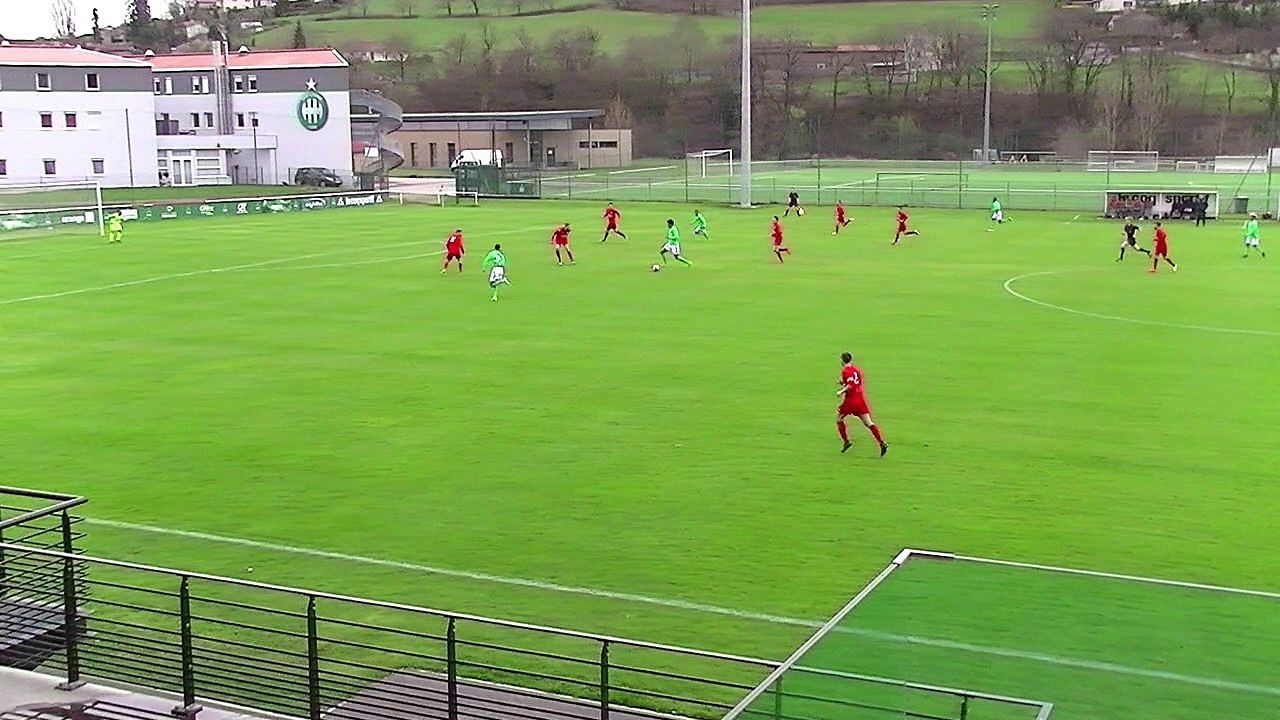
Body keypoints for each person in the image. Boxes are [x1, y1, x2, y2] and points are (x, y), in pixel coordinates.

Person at [835, 352, 888, 456]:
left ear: (842, 360)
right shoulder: (856, 370)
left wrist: (841, 391)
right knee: (868, 423)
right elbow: (855, 382)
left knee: (838, 419)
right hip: (860, 399)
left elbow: (851, 385)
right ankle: (881, 443)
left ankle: (846, 442)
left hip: (851, 401)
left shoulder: (846, 371)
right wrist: (842, 383)